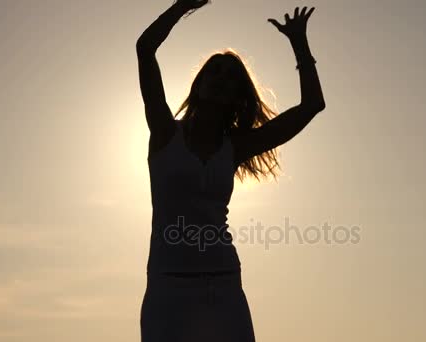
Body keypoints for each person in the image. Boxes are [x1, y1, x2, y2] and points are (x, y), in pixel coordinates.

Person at [136, 0, 325, 340]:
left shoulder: (235, 147)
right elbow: (145, 48)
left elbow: (312, 105)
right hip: (168, 288)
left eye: (231, 77)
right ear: (199, 83)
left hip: (223, 286)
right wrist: (182, 6)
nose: (221, 79)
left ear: (237, 96)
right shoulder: (165, 132)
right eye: (215, 71)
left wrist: (299, 43)